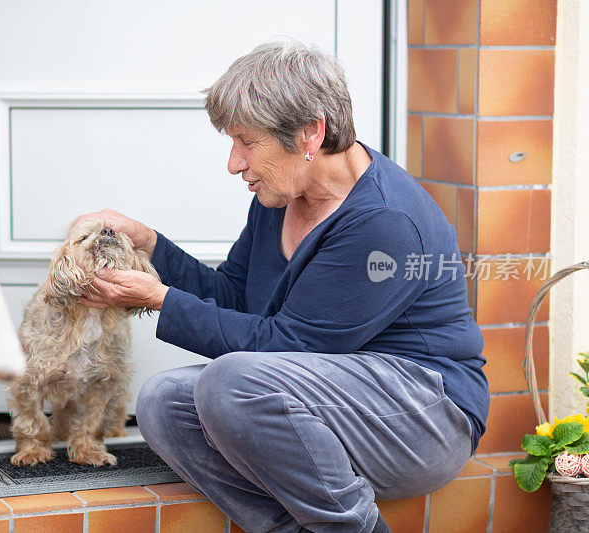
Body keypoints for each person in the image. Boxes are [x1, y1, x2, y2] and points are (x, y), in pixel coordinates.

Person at [76, 40, 489, 533]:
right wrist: (149, 247)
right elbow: (233, 296)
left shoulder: (385, 222)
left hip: (424, 416)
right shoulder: (282, 194)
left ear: (310, 133)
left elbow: (287, 347)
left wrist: (156, 299)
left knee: (233, 384)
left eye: (246, 142)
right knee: (162, 400)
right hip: (334, 399)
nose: (234, 163)